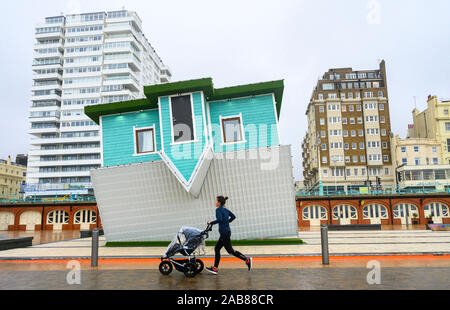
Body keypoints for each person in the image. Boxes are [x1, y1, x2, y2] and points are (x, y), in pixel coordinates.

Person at [206, 196, 252, 275]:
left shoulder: (218, 210)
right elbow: (233, 217)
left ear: (219, 203)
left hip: (224, 233)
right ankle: (215, 268)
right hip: (226, 232)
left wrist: (211, 222)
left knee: (230, 251)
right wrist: (227, 222)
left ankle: (246, 259)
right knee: (217, 249)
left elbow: (220, 219)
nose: (215, 202)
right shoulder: (226, 210)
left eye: (216, 201)